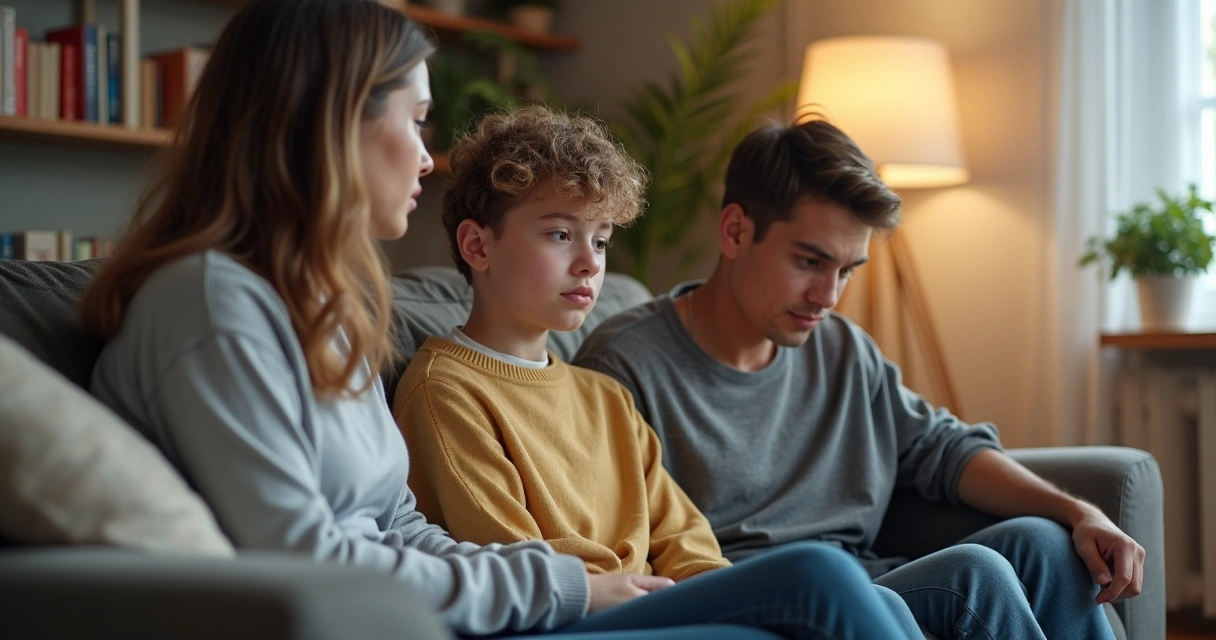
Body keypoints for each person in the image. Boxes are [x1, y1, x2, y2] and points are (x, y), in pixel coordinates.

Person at [76, 2, 747, 638]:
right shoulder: (211, 307)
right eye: (417, 120)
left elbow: (397, 520)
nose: (429, 157)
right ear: (334, 124)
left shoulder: (326, 310)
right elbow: (301, 555)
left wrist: (561, 582)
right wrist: (564, 588)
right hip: (343, 619)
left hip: (416, 610)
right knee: (801, 582)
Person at [573, 118, 1147, 640]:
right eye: (809, 261)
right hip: (761, 601)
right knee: (974, 574)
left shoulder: (842, 349)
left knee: (1046, 541)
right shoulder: (625, 365)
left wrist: (1079, 512)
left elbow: (945, 449)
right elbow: (617, 547)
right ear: (735, 231)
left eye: (847, 270)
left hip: (872, 585)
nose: (828, 296)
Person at [391, 105, 921, 640]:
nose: (590, 262)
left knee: (883, 599)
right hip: (566, 620)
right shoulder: (445, 390)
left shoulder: (606, 397)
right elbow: (511, 564)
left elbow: (684, 536)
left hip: (653, 607)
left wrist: (718, 595)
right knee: (818, 573)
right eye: (560, 234)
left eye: (601, 240)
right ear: (477, 245)